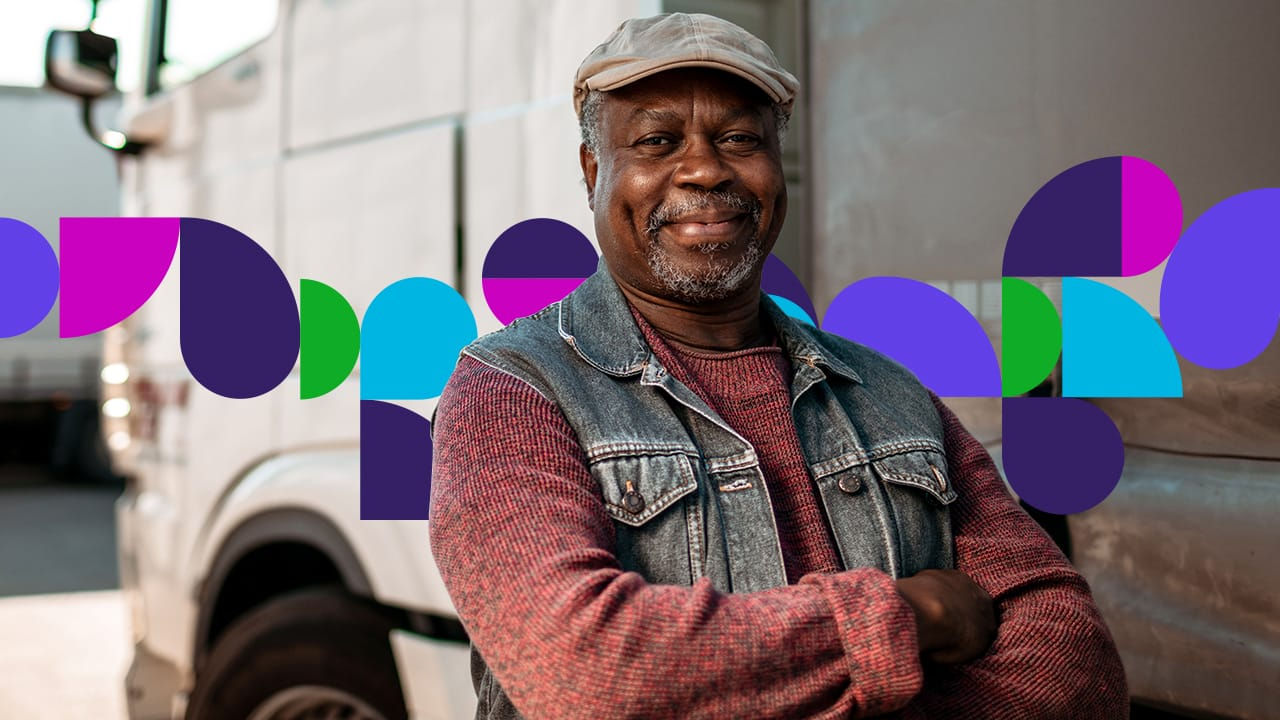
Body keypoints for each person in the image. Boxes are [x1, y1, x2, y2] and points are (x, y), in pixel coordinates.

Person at [429, 12, 1127, 719]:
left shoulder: (886, 391)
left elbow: (1076, 658)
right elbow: (585, 669)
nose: (704, 168)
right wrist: (911, 617)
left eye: (738, 138)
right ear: (593, 172)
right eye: (657, 141)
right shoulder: (512, 390)